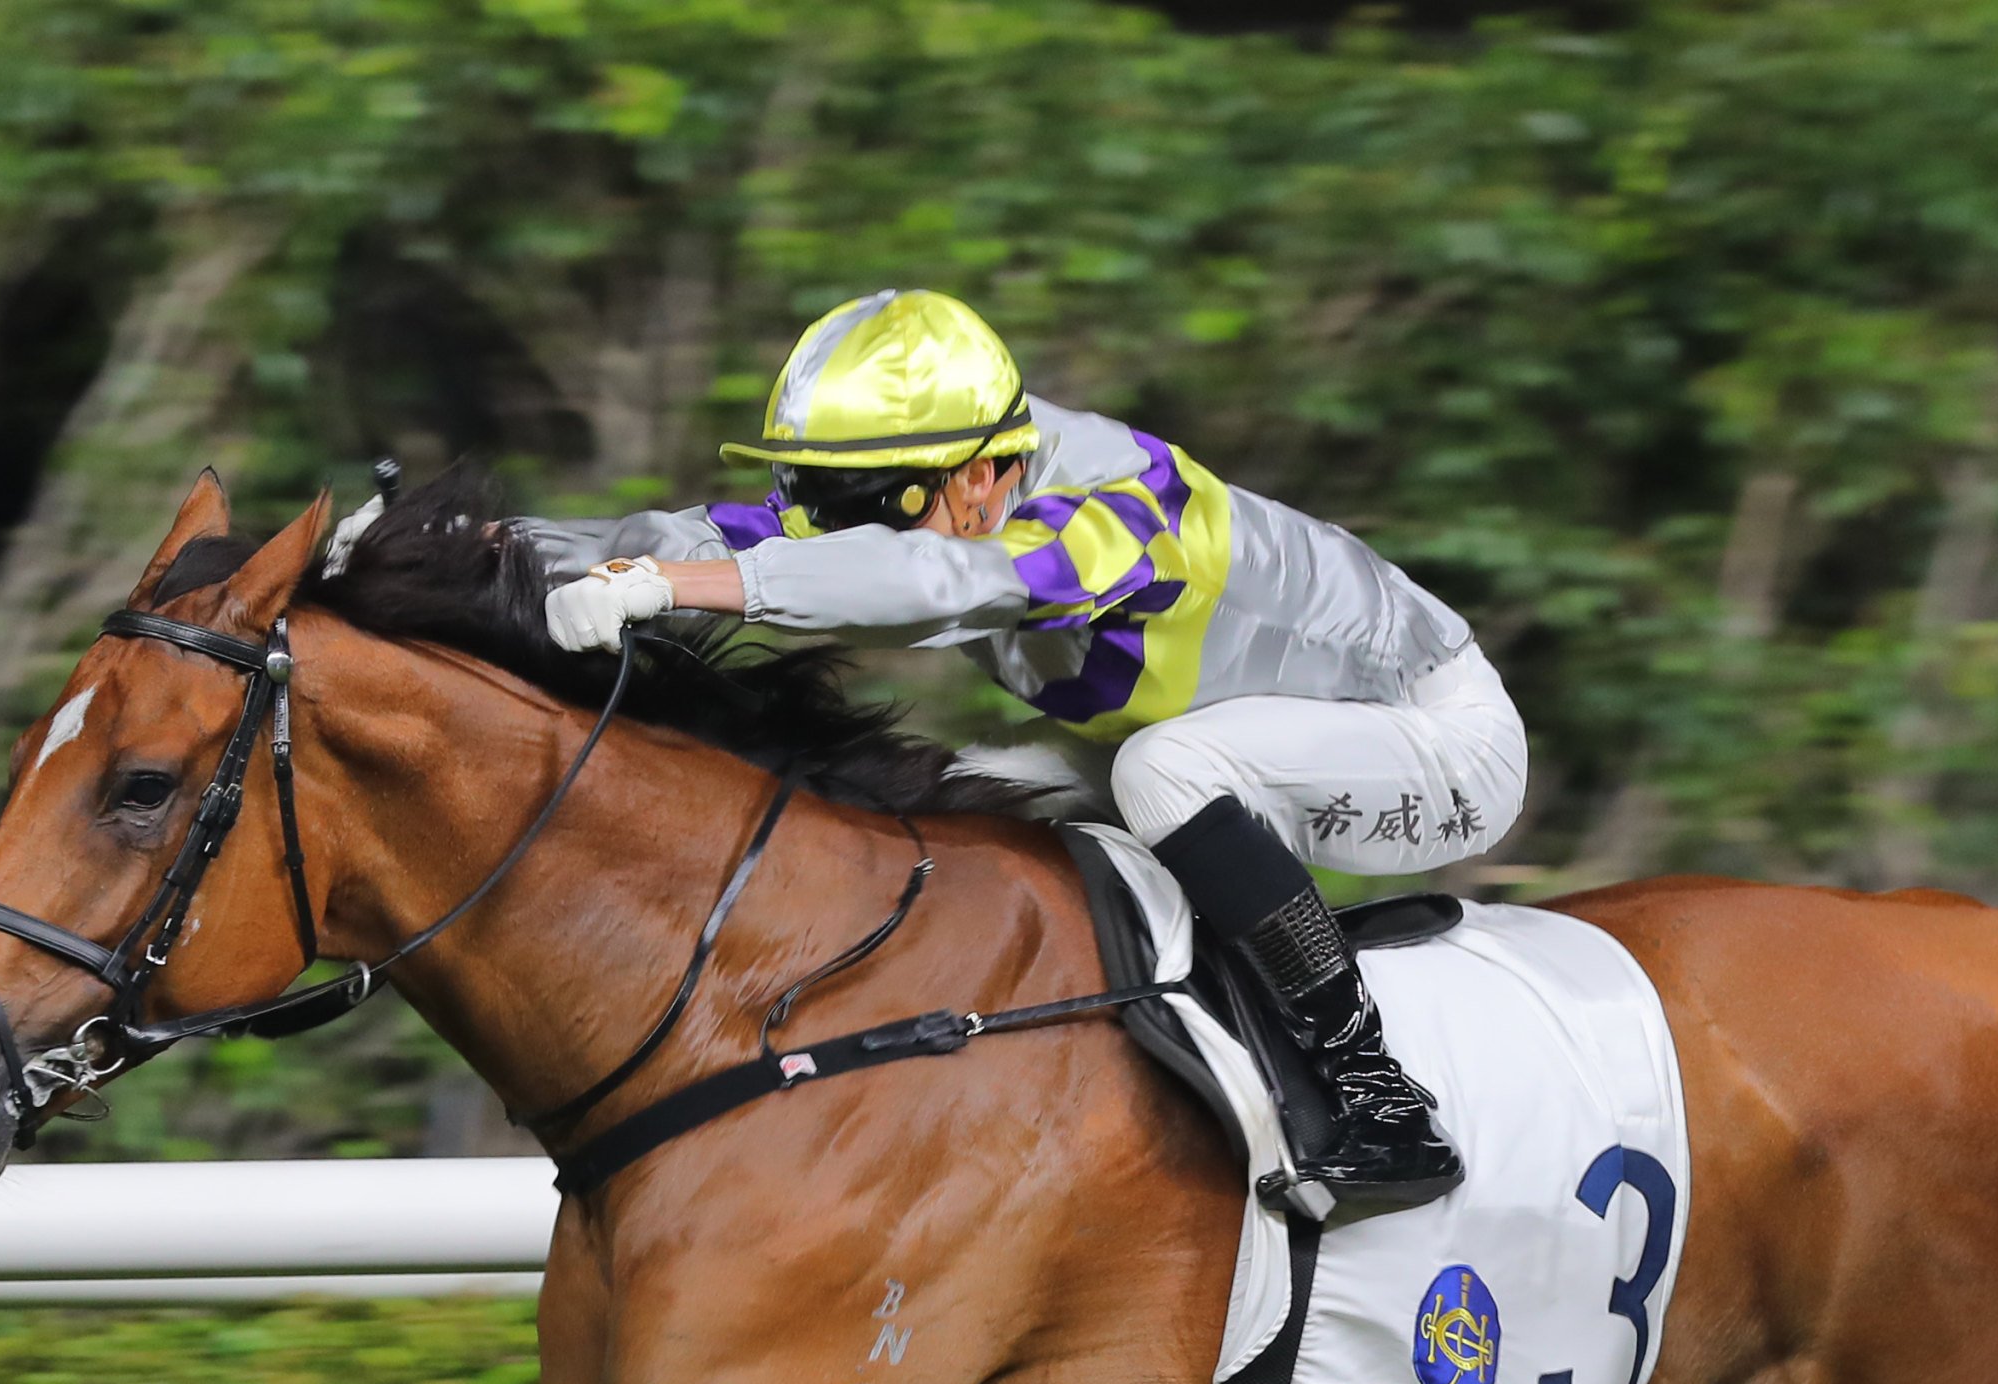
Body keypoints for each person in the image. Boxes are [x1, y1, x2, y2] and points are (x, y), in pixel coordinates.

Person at [518, 287, 1520, 1221]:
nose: (832, 531)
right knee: (988, 802)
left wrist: (672, 588)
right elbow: (703, 534)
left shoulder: (1124, 510)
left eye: (864, 505)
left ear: (985, 476)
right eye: (822, 499)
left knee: (1162, 773)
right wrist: (466, 548)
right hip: (1220, 739)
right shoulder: (941, 476)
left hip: (1441, 744)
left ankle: (1380, 1100)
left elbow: (934, 580)